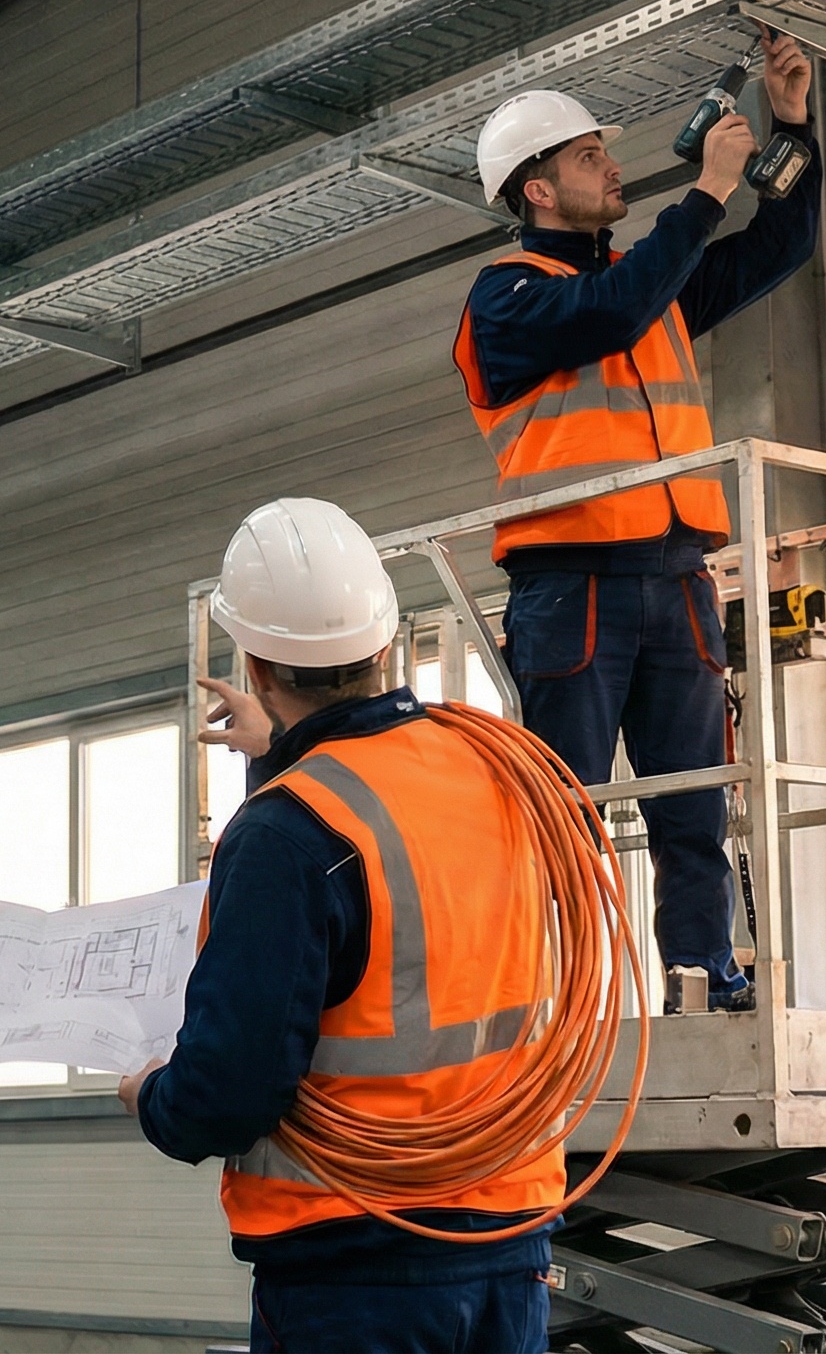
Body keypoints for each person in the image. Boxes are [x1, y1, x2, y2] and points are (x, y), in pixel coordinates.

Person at [122, 497, 560, 1354]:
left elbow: (230, 1093)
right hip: (508, 1233)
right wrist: (281, 754)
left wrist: (153, 1100)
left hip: (353, 1259)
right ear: (388, 643)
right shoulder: (500, 770)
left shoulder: (285, 831)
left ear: (254, 667)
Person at [452, 27, 821, 1010]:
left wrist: (792, 128)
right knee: (567, 808)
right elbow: (610, 311)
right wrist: (702, 192)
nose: (611, 166)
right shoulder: (507, 299)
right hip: (570, 585)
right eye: (588, 156)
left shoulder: (643, 285)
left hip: (678, 579)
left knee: (694, 803)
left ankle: (704, 975)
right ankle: (569, 996)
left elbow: (782, 246)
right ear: (537, 189)